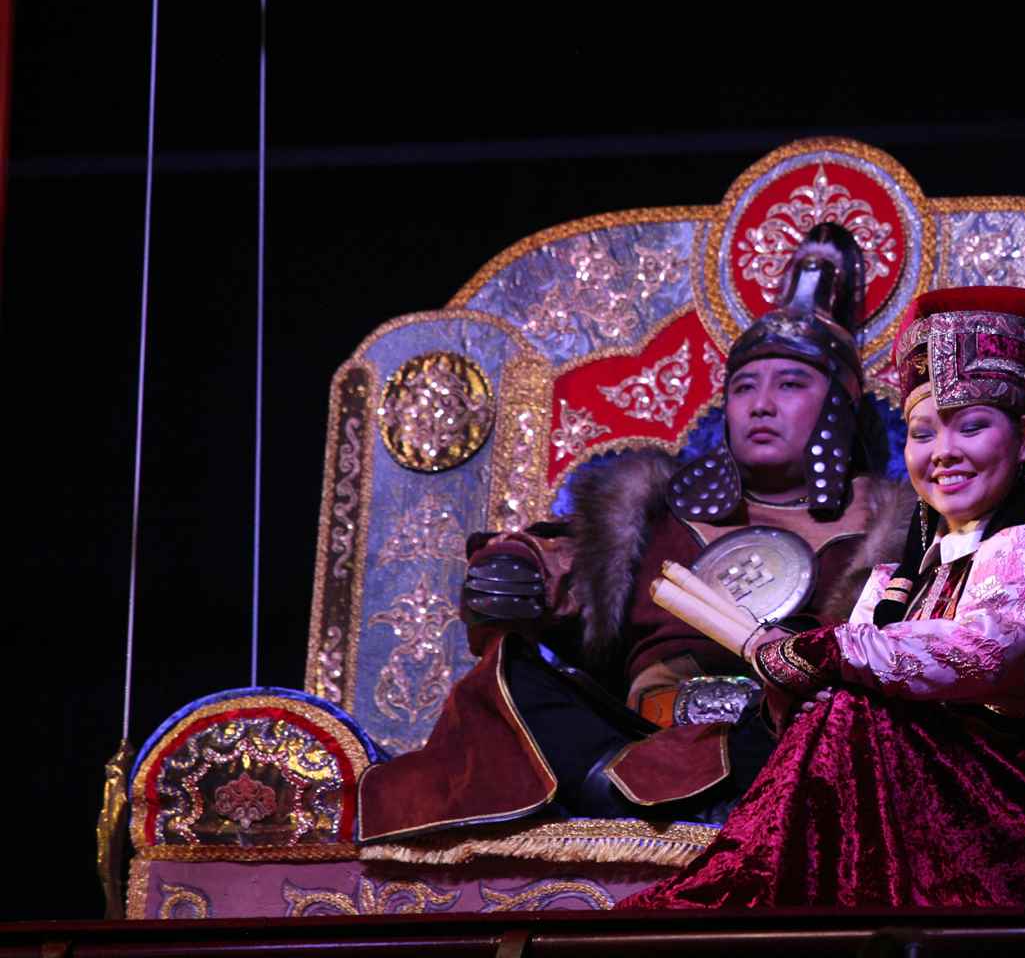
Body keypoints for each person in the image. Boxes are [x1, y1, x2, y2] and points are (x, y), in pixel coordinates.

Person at [357, 225, 916, 841]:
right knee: (511, 675)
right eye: (743, 387)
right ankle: (611, 787)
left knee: (850, 728)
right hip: (643, 736)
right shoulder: (654, 513)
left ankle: (711, 795)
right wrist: (515, 567)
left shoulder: (895, 530)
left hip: (788, 739)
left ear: (837, 406)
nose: (760, 405)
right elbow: (558, 557)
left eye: (790, 384)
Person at [621, 286, 1025, 908]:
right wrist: (799, 684)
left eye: (972, 426)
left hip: (1017, 807)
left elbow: (982, 651)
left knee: (852, 717)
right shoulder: (899, 577)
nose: (944, 452)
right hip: (927, 797)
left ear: (1024, 439)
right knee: (835, 713)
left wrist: (819, 652)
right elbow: (856, 673)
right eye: (923, 433)